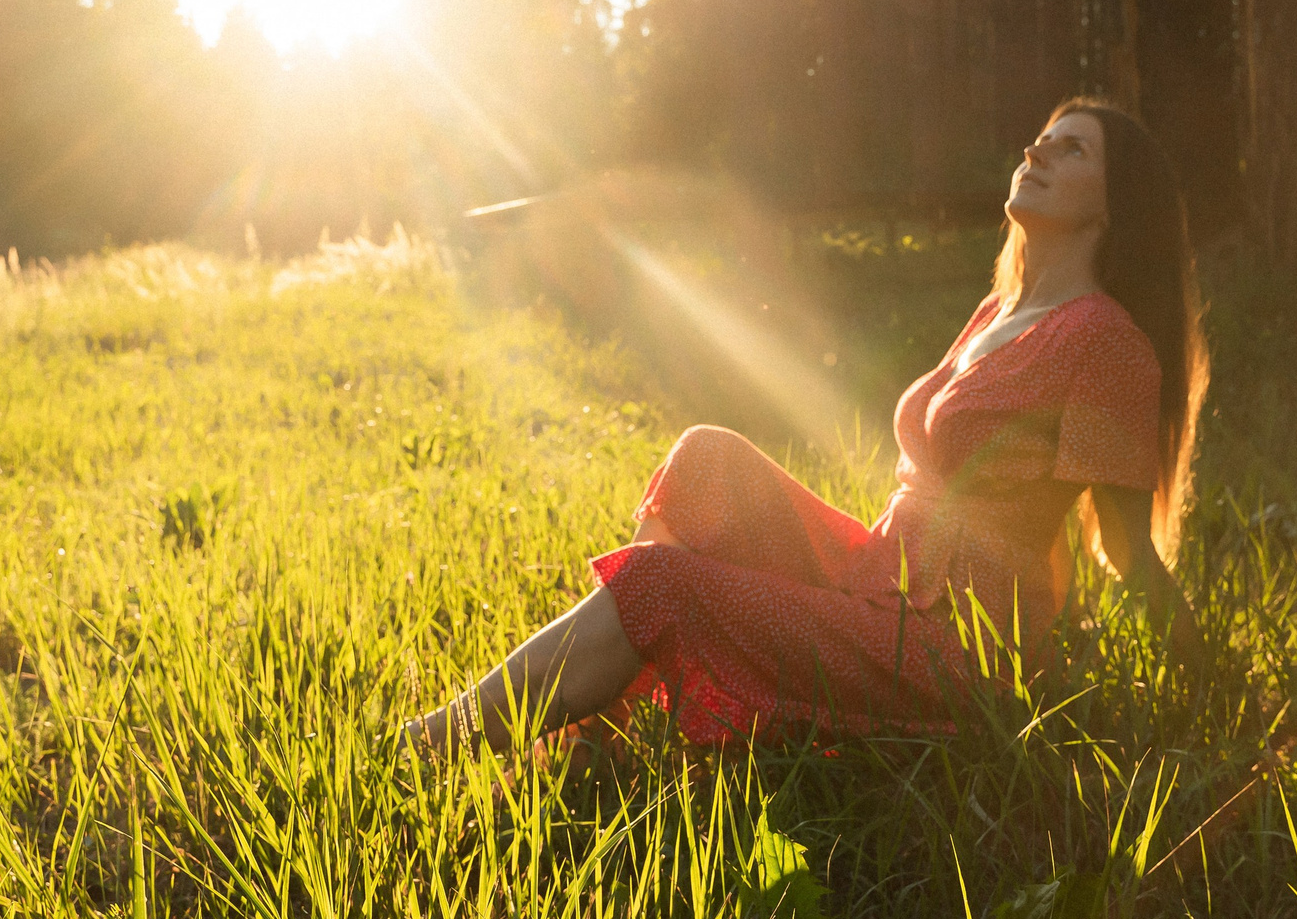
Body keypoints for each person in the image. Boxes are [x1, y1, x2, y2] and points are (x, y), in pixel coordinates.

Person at [404, 97, 1209, 755]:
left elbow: (1125, 546)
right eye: (1039, 140)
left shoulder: (1107, 344)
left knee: (658, 582)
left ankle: (438, 743)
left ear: (1114, 205)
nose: (1037, 152)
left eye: (1072, 151)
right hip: (878, 580)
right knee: (708, 459)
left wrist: (1214, 687)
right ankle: (605, 724)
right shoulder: (1000, 309)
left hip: (946, 650)